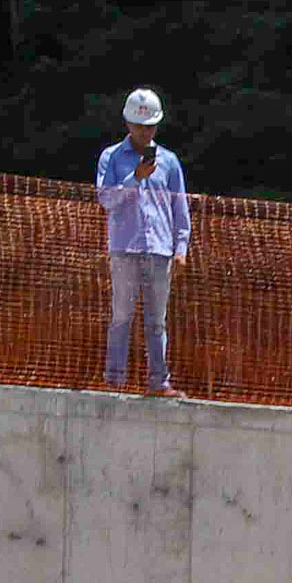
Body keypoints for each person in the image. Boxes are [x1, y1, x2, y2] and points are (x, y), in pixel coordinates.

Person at [94, 89, 190, 397]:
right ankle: (114, 380)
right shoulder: (111, 158)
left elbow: (179, 207)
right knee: (121, 316)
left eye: (150, 126)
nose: (145, 132)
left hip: (159, 250)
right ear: (127, 123)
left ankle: (159, 382)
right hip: (124, 249)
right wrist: (135, 177)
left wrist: (181, 249)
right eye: (139, 125)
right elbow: (106, 199)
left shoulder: (169, 162)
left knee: (156, 322)